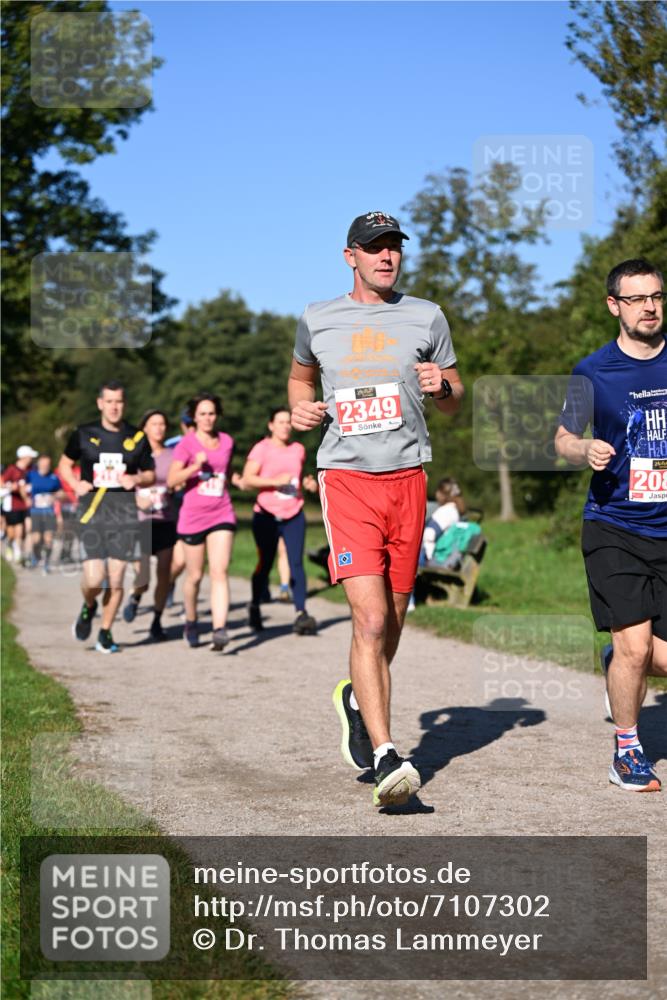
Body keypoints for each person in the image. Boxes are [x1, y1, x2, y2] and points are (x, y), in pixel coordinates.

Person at [288, 210, 463, 807]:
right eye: (374, 247)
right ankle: (387, 751)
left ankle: (358, 698)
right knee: (368, 620)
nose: (386, 256)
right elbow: (300, 380)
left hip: (408, 479)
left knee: (391, 621)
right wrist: (300, 409)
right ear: (351, 256)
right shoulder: (318, 317)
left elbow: (454, 397)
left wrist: (443, 386)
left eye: (394, 247)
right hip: (346, 479)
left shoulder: (427, 315)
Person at [555, 258, 666, 793]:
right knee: (636, 649)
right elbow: (562, 438)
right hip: (614, 525)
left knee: (649, 658)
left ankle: (619, 662)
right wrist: (584, 449)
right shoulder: (592, 371)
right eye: (637, 298)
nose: (650, 307)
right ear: (613, 306)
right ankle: (627, 751)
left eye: (657, 296)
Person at [58, 381, 155, 654]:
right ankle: (89, 606)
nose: (114, 407)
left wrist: (136, 479)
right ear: (100, 403)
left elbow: (150, 473)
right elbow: (64, 464)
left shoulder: (137, 437)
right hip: (92, 513)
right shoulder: (84, 433)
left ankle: (105, 632)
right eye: (109, 401)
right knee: (93, 580)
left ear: (124, 404)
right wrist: (75, 484)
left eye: (119, 402)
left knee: (116, 578)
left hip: (124, 516)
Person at [167, 393, 240, 651]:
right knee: (195, 576)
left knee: (219, 571)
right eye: (202, 414)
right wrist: (194, 467)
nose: (208, 418)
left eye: (211, 413)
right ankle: (191, 620)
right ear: (194, 417)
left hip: (221, 512)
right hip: (193, 516)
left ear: (217, 415)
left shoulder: (227, 441)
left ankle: (219, 629)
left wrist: (239, 480)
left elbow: (226, 472)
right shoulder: (186, 444)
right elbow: (172, 480)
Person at [243, 407, 319, 635]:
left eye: (288, 422)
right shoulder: (261, 448)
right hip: (266, 514)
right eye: (280, 422)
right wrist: (274, 482)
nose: (285, 426)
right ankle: (255, 605)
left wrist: (308, 484)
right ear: (271, 425)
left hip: (294, 513)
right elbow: (248, 479)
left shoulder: (298, 449)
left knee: (296, 563)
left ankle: (301, 613)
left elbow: (298, 478)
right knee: (265, 563)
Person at [122, 410, 178, 642]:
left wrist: (176, 486)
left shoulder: (173, 455)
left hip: (166, 519)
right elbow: (122, 484)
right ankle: (136, 596)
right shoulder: (134, 455)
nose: (159, 428)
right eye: (154, 424)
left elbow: (177, 480)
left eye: (162, 424)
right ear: (144, 428)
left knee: (164, 574)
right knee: (143, 576)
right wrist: (137, 499)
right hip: (142, 521)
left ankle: (156, 620)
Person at [26, 453, 63, 572]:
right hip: (35, 511)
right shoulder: (31, 475)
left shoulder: (54, 478)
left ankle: (46, 562)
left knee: (48, 538)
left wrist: (55, 496)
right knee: (36, 539)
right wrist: (26, 498)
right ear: (39, 464)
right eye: (43, 464)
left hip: (49, 511)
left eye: (47, 464)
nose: (45, 466)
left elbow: (61, 492)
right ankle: (35, 556)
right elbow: (23, 487)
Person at [1, 446, 37, 565]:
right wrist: (11, 486)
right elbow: (1, 482)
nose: (31, 459)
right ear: (23, 457)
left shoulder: (31, 470)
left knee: (26, 529)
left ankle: (20, 553)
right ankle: (10, 544)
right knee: (13, 533)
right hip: (13, 505)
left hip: (26, 505)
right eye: (29, 456)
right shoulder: (12, 469)